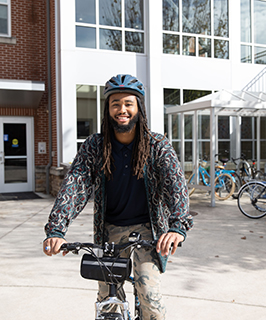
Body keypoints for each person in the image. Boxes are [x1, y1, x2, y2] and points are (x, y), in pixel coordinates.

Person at [43, 74, 193, 319]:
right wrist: (56, 230)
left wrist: (177, 226)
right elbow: (75, 186)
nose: (121, 109)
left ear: (138, 109)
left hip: (148, 230)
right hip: (109, 230)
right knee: (108, 301)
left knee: (149, 296)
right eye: (115, 104)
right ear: (108, 109)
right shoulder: (94, 146)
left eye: (128, 104)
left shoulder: (157, 145)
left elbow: (175, 185)